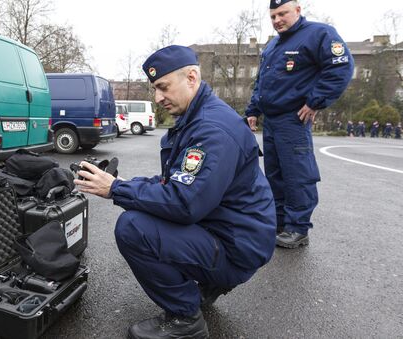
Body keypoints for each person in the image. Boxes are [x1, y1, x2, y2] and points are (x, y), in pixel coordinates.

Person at [74, 45, 276, 339]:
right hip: (235, 234)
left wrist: (116, 189)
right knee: (146, 209)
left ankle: (185, 319)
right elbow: (176, 181)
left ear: (191, 78)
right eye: (155, 89)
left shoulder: (212, 129)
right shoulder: (198, 119)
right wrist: (126, 184)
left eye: (163, 87)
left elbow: (184, 204)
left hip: (237, 247)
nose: (157, 98)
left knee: (133, 227)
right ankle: (208, 285)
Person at [245, 0, 354, 248]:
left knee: (296, 175)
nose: (277, 20)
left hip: (294, 119)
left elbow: (340, 67)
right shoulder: (273, 45)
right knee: (275, 174)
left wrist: (316, 101)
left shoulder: (319, 34)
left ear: (297, 10)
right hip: (272, 120)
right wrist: (253, 109)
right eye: (273, 16)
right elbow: (262, 81)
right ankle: (280, 223)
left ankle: (298, 228)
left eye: (282, 13)